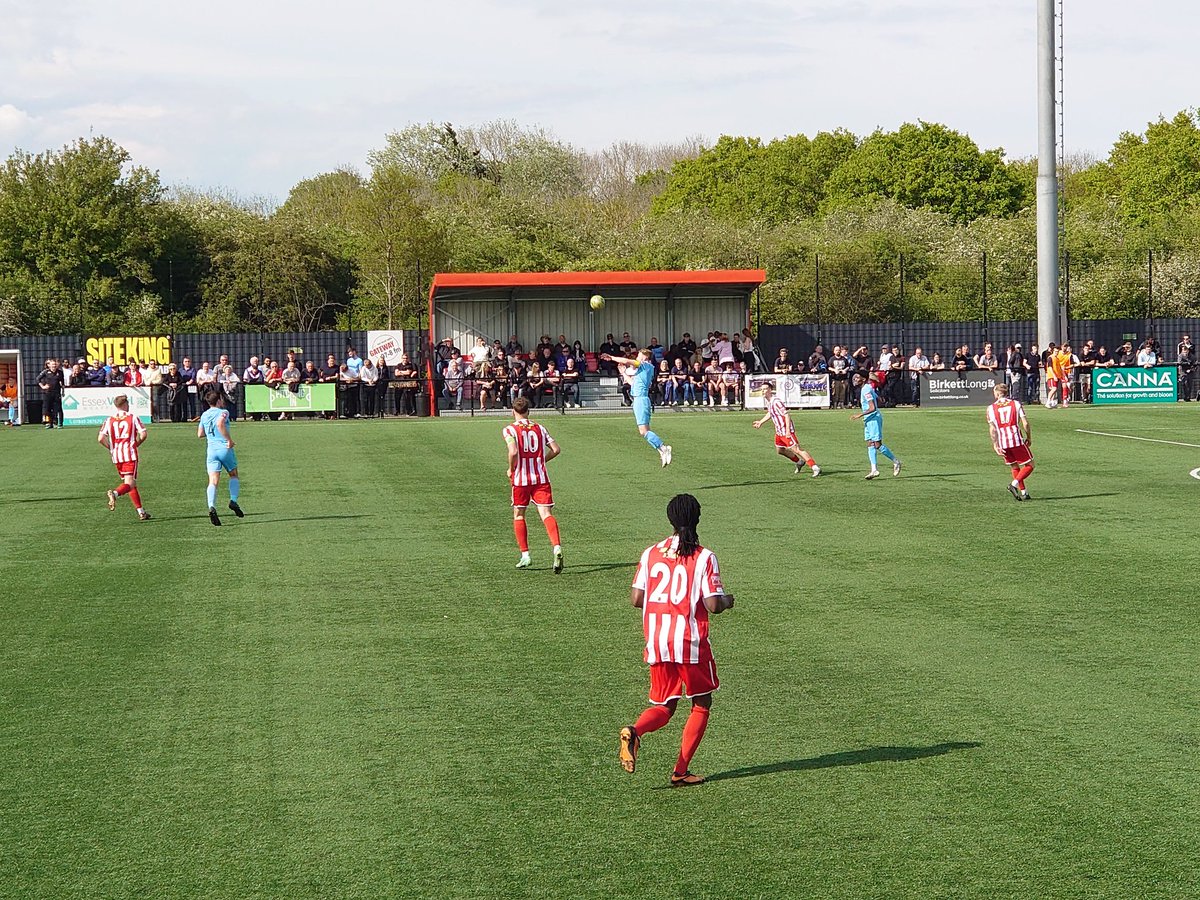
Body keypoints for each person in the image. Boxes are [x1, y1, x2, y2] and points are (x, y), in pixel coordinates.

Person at [618, 493, 735, 787]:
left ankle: (635, 730)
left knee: (664, 706)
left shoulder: (650, 553)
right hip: (690, 643)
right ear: (697, 519)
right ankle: (680, 771)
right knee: (701, 703)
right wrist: (728, 600)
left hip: (657, 640)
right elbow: (713, 605)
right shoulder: (704, 556)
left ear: (669, 520)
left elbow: (636, 599)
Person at [504, 396, 563, 573]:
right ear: (529, 411)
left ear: (513, 411)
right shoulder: (540, 428)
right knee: (545, 513)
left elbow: (513, 451)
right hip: (541, 478)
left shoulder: (509, 430)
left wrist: (511, 468)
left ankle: (525, 555)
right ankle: (556, 547)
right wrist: (542, 461)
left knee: (519, 514)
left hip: (521, 479)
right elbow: (556, 449)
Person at [601, 348, 672, 466]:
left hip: (641, 400)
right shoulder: (644, 370)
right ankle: (661, 450)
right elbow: (633, 383)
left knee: (643, 431)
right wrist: (623, 373)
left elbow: (627, 361)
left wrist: (612, 358)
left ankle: (664, 447)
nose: (637, 359)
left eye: (638, 356)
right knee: (645, 431)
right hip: (640, 400)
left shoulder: (644, 365)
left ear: (644, 357)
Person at [99, 394, 150, 520]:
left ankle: (141, 512)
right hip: (129, 454)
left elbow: (100, 438)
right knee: (130, 483)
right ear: (125, 405)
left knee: (130, 483)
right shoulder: (132, 418)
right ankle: (115, 494)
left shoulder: (109, 420)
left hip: (116, 456)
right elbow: (143, 434)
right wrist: (137, 443)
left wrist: (111, 447)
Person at [198, 389, 245, 527]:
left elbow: (200, 434)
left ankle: (211, 506)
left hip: (211, 451)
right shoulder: (223, 412)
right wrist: (228, 439)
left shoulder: (204, 415)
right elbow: (220, 423)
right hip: (224, 449)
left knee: (213, 481)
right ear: (218, 400)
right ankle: (233, 500)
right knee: (233, 475)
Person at [752, 381, 820, 476]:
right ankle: (799, 461)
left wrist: (788, 431)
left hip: (785, 431)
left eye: (765, 389)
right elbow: (771, 413)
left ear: (770, 390)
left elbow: (786, 415)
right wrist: (761, 422)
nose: (763, 391)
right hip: (779, 432)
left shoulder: (776, 402)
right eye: (762, 389)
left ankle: (814, 467)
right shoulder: (769, 402)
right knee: (780, 450)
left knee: (797, 449)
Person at [986, 383, 1034, 501]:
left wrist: (995, 444)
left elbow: (992, 429)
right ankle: (1014, 484)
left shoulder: (991, 408)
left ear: (997, 393)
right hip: (1016, 439)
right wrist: (1029, 437)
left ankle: (1024, 492)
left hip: (1003, 442)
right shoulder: (1015, 404)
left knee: (1014, 466)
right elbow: (1025, 423)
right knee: (1030, 465)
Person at [851, 372, 901, 480]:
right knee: (870, 443)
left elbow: (872, 407)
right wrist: (879, 398)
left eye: (858, 377)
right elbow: (876, 398)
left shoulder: (866, 389)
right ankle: (874, 469)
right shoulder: (867, 387)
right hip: (868, 419)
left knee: (877, 445)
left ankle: (896, 461)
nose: (855, 379)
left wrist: (859, 415)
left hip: (873, 418)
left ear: (863, 379)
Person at [37, 358, 65, 428]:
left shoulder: (60, 372)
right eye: (52, 364)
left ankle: (58, 423)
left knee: (57, 408)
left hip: (57, 393)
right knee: (48, 409)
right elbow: (37, 379)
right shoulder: (46, 372)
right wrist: (43, 386)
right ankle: (49, 423)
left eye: (55, 364)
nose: (54, 366)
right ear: (49, 365)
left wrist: (63, 391)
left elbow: (62, 383)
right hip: (48, 393)